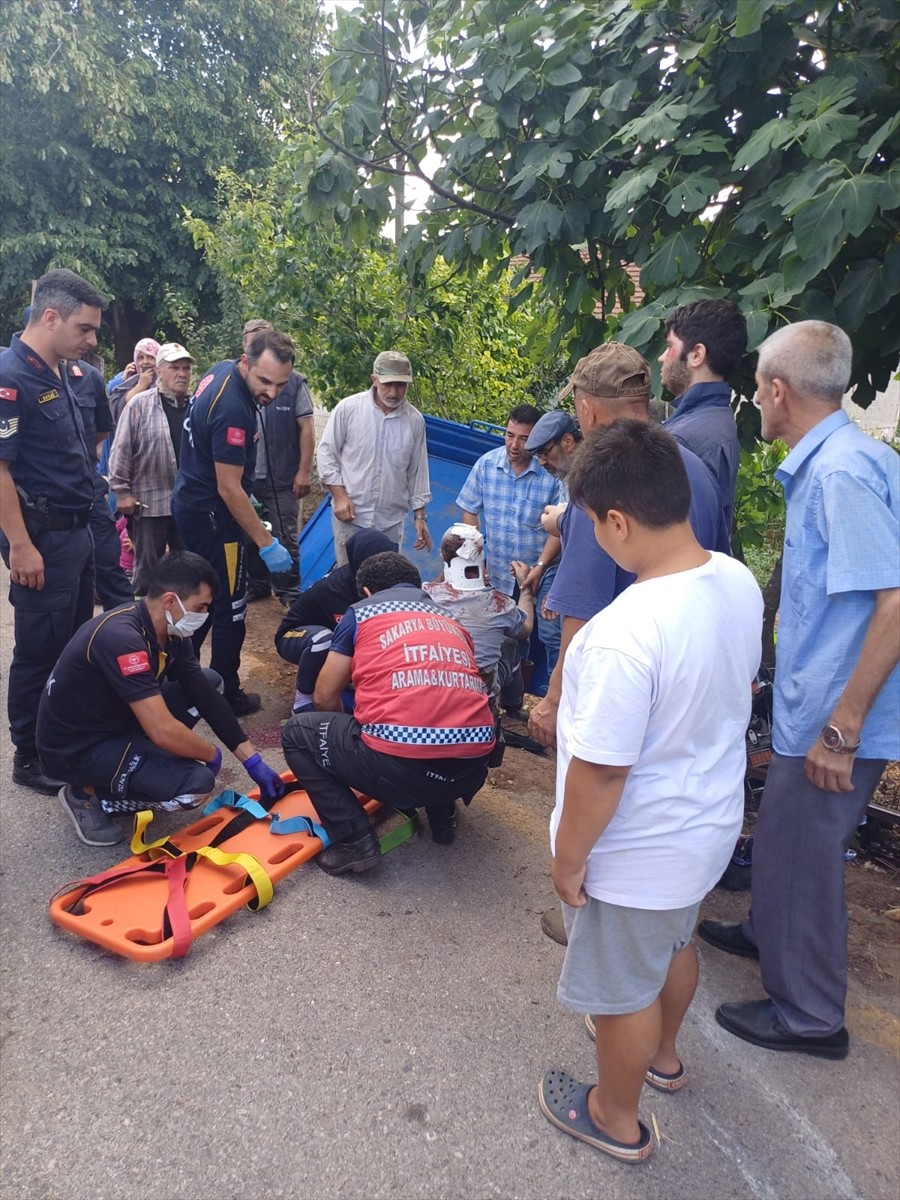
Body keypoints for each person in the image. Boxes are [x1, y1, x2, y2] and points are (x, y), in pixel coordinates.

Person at [540, 419, 762, 1164]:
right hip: (705, 826)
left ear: (618, 521)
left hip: (637, 851)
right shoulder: (734, 580)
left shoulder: (622, 633)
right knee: (676, 942)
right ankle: (664, 1057)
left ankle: (615, 1116)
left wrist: (569, 862)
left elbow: (601, 772)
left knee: (619, 988)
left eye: (591, 528)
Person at [698, 321, 900, 1060]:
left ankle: (812, 1016)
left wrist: (842, 730)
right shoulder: (847, 459)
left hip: (836, 721)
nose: (755, 402)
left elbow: (894, 602)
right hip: (819, 710)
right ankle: (766, 935)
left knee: (806, 858)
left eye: (755, 390)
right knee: (783, 841)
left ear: (777, 392)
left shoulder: (841, 473)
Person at [527, 343, 732, 947]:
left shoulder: (603, 476)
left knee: (597, 803)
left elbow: (583, 605)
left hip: (619, 679)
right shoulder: (687, 464)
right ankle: (660, 931)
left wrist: (553, 698)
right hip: (687, 675)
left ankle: (588, 917)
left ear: (587, 412)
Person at [36, 551, 286, 847]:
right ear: (170, 601)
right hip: (75, 748)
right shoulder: (122, 639)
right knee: (194, 787)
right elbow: (162, 730)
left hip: (115, 724)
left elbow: (204, 695)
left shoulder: (168, 633)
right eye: (200, 607)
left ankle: (134, 769)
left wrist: (252, 760)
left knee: (210, 682)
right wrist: (210, 754)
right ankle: (87, 795)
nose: (203, 616)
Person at [281, 551, 496, 871]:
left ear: (366, 591)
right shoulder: (451, 619)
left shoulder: (363, 612)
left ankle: (354, 840)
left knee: (297, 733)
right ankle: (442, 817)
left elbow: (325, 697)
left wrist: (344, 744)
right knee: (440, 710)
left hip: (401, 770)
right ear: (416, 585)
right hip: (472, 769)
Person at [0, 268, 106, 794]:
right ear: (50, 317)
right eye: (85, 329)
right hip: (40, 540)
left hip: (76, 533)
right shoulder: (12, 376)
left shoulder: (61, 370)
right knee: (39, 649)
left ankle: (59, 737)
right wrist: (21, 545)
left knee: (69, 645)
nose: (91, 341)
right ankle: (29, 754)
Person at [171, 328, 296, 717]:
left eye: (281, 384)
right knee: (230, 607)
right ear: (246, 361)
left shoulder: (222, 371)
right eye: (264, 381)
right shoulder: (234, 411)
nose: (272, 393)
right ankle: (225, 691)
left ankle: (179, 680)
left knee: (199, 599)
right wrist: (265, 542)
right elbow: (228, 488)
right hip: (214, 519)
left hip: (192, 503)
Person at [455, 404, 563, 707]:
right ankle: (512, 698)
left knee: (551, 633)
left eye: (524, 439)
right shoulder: (487, 464)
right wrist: (477, 558)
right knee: (510, 635)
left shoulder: (550, 473)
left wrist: (540, 567)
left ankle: (554, 699)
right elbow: (469, 509)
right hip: (500, 570)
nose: (515, 445)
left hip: (544, 567)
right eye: (509, 435)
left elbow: (560, 529)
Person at [316, 350, 432, 566]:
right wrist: (339, 497)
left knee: (383, 583)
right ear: (374, 380)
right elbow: (326, 454)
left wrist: (420, 516)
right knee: (348, 579)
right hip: (352, 518)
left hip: (390, 523)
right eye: (388, 384)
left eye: (401, 385)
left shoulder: (414, 421)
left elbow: (417, 471)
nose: (394, 392)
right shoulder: (349, 409)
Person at [275, 528, 398, 714]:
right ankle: (302, 701)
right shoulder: (335, 589)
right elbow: (349, 639)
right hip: (295, 635)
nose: (381, 567)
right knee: (326, 640)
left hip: (331, 637)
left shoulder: (383, 581)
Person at [109, 341, 194, 594]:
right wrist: (122, 491)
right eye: (175, 367)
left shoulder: (196, 406)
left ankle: (179, 623)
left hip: (187, 503)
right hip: (149, 503)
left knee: (187, 565)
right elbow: (121, 449)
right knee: (147, 568)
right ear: (159, 371)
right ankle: (143, 622)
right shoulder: (140, 405)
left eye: (186, 368)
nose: (182, 374)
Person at [241, 319, 316, 602]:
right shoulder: (238, 381)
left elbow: (306, 427)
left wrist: (304, 472)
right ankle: (256, 585)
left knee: (285, 536)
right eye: (254, 337)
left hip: (282, 477)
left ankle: (289, 593)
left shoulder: (294, 382)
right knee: (250, 533)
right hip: (245, 477)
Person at [660, 299, 747, 532]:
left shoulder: (682, 439)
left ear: (696, 354)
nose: (662, 357)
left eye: (670, 346)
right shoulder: (719, 419)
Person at [423, 523, 535, 700]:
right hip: (481, 697)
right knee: (511, 645)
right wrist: (526, 587)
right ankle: (512, 706)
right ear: (481, 558)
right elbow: (525, 629)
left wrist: (449, 564)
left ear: (443, 557)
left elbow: (438, 584)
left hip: (435, 692)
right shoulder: (501, 605)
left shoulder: (426, 597)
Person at [66, 353, 135, 610]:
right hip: (45, 503)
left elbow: (102, 428)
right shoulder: (17, 373)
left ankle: (126, 634)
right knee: (62, 588)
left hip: (88, 487)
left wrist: (89, 458)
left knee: (109, 563)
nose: (92, 341)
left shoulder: (88, 376)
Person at [107, 337, 161, 426]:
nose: (145, 362)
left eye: (150, 357)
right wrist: (140, 386)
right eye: (140, 358)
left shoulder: (166, 381)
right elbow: (118, 406)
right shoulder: (129, 380)